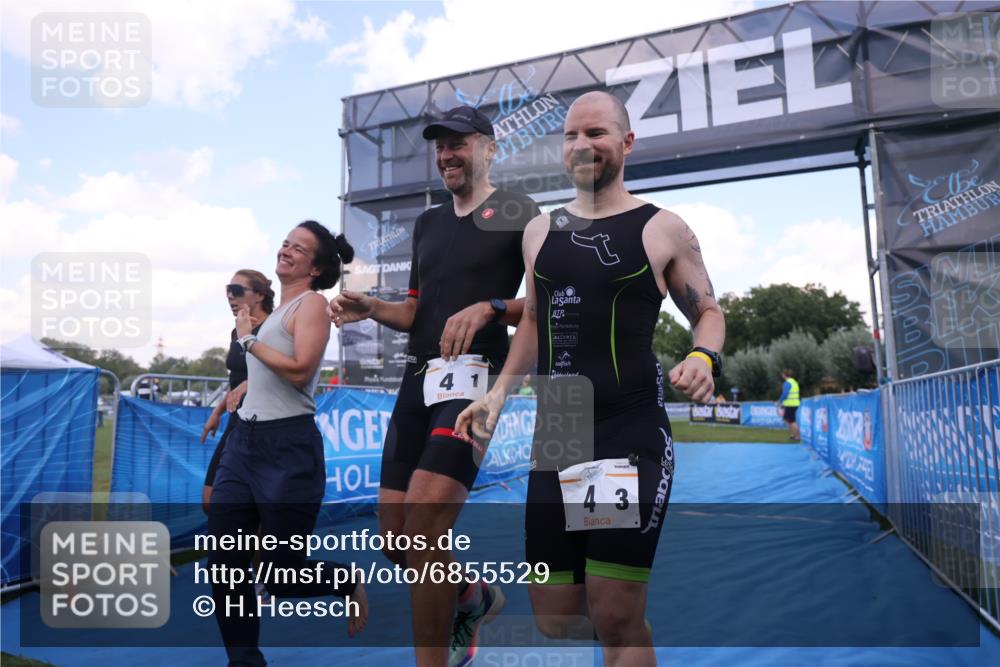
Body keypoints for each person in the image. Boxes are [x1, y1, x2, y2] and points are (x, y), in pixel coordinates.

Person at [456, 91, 726, 667]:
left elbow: (708, 311)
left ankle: (626, 634)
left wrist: (704, 358)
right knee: (557, 619)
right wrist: (499, 394)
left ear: (626, 143)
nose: (583, 145)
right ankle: (627, 634)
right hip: (560, 435)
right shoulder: (539, 232)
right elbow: (533, 317)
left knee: (612, 613)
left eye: (597, 133)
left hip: (624, 434)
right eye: (573, 134)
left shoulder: (662, 228)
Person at [329, 105, 540, 667]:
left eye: (459, 144)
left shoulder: (518, 211)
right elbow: (417, 311)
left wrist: (494, 307)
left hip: (478, 383)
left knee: (424, 528)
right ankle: (472, 597)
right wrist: (372, 306)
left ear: (489, 148)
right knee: (398, 538)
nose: (447, 154)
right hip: (416, 383)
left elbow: (546, 303)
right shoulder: (427, 222)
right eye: (439, 146)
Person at [207, 221, 366, 667]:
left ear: (315, 268)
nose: (286, 251)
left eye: (298, 248)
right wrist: (237, 393)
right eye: (284, 243)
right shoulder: (273, 314)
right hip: (244, 446)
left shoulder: (312, 305)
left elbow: (298, 370)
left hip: (288, 448)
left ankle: (344, 581)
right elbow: (262, 374)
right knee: (226, 564)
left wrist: (250, 341)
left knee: (280, 575)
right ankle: (244, 661)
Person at [201, 270, 274, 513]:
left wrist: (251, 383)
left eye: (238, 291)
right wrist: (217, 413)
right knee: (210, 499)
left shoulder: (274, 328)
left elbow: (283, 372)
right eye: (228, 291)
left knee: (258, 509)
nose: (231, 297)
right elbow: (237, 380)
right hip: (236, 422)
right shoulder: (237, 331)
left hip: (265, 424)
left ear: (260, 295)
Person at [777, 369, 800, 441]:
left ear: (784, 375)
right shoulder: (794, 382)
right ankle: (793, 435)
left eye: (782, 374)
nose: (782, 375)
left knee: (791, 421)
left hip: (790, 404)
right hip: (794, 403)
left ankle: (797, 436)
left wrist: (779, 401)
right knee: (787, 419)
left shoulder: (787, 383)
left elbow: (785, 394)